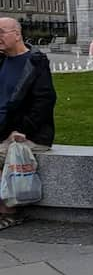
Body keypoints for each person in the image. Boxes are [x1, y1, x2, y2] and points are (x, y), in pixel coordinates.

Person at [0, 18, 56, 230]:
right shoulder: (1, 61)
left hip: (30, 134)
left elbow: (45, 100)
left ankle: (9, 212)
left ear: (17, 34)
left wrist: (22, 130)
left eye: (1, 32)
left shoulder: (35, 62)